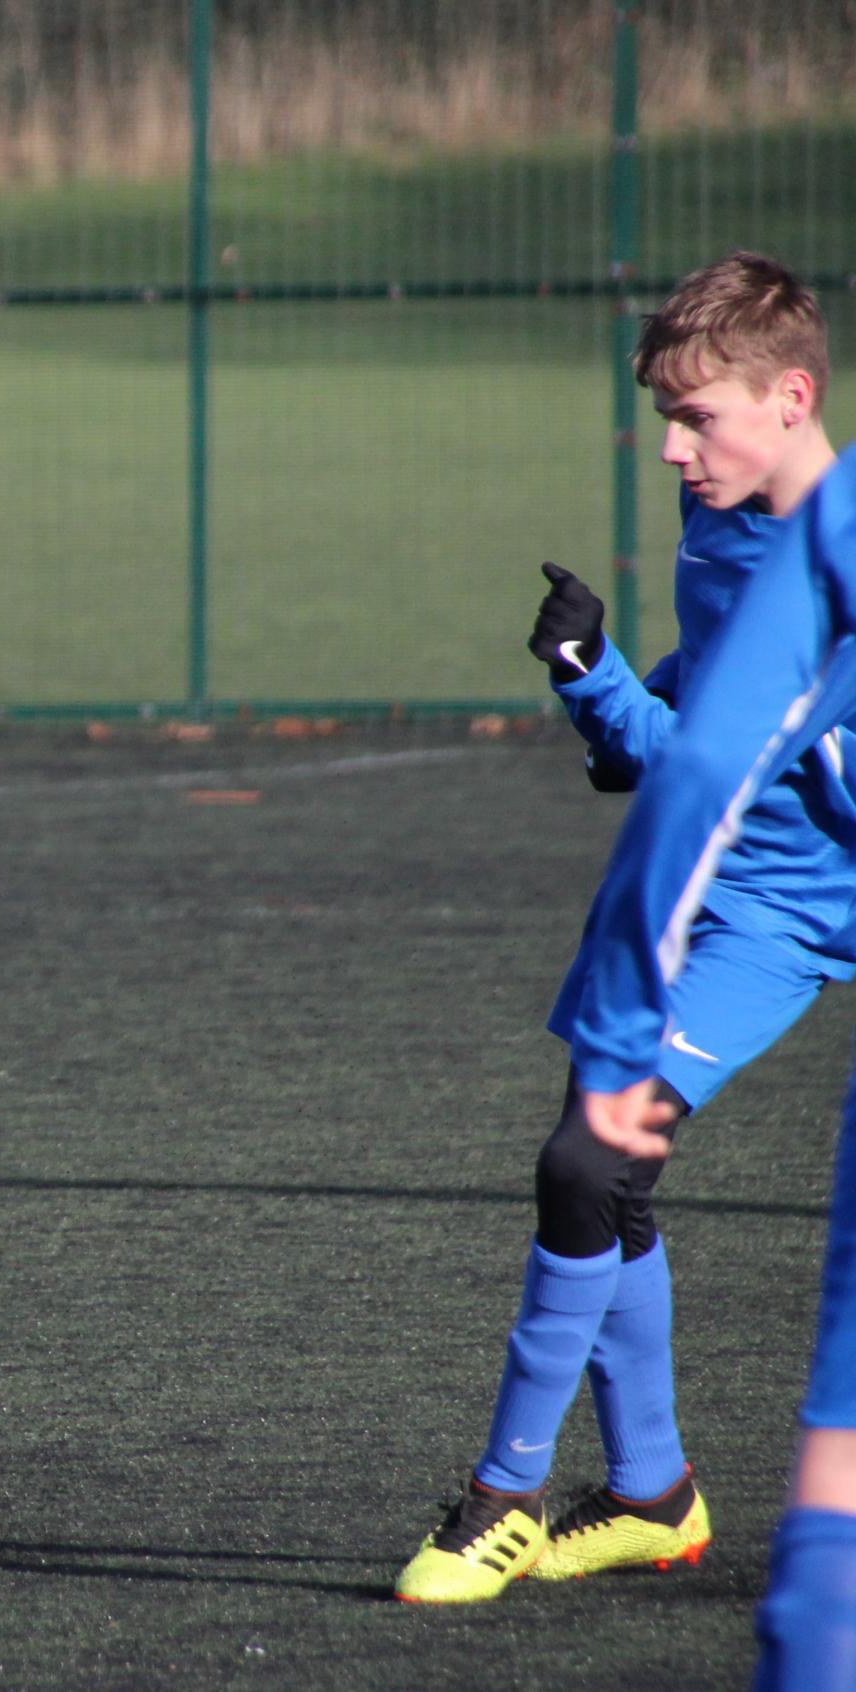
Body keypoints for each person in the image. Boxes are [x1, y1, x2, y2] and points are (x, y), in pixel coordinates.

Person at [394, 253, 850, 1604]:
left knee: (591, 1165)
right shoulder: (722, 532)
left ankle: (508, 1495)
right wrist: (598, 678)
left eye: (696, 417)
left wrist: (640, 713)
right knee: (595, 1168)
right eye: (663, 415)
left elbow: (737, 755)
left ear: (791, 395)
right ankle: (643, 1490)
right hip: (731, 897)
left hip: (794, 902)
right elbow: (701, 737)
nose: (670, 449)